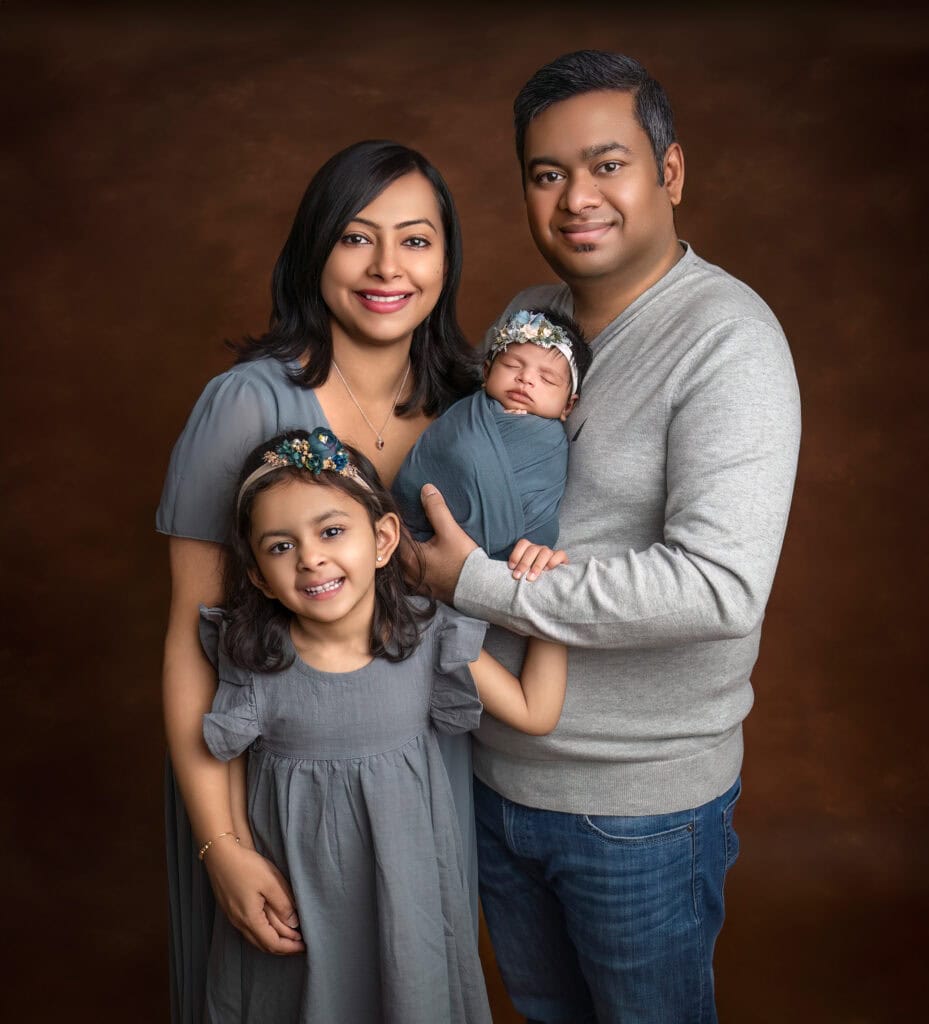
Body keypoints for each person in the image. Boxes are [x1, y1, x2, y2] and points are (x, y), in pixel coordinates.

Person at [416, 51, 802, 1023]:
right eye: (546, 174)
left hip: (636, 811)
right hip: (494, 776)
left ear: (668, 173)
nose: (575, 197)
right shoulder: (525, 318)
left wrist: (478, 586)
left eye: (605, 164)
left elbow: (717, 587)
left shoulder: (729, 341)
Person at [156, 139, 483, 1023]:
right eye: (354, 237)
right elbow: (193, 635)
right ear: (313, 253)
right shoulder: (248, 404)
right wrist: (220, 844)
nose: (387, 267)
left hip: (419, 774)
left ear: (446, 259)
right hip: (276, 793)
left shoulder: (470, 406)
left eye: (415, 240)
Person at [198, 428, 567, 1022]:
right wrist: (232, 853)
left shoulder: (427, 638)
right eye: (280, 546)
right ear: (260, 577)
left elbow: (534, 710)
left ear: (383, 538)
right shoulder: (253, 659)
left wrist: (548, 596)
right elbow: (230, 769)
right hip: (296, 910)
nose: (311, 557)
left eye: (332, 531)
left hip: (406, 904)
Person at [392, 307, 591, 560]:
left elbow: (543, 509)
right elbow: (436, 459)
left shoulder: (553, 445)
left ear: (568, 406)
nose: (526, 378)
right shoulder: (464, 415)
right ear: (486, 372)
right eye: (512, 365)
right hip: (417, 539)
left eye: (547, 379)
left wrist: (534, 546)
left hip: (503, 562)